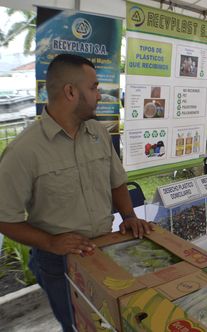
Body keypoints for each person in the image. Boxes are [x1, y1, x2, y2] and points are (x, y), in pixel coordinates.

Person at [0, 54, 152, 332]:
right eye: (94, 88)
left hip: (106, 249)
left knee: (108, 322)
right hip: (59, 262)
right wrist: (50, 242)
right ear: (71, 91)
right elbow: (5, 217)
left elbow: (116, 181)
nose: (100, 94)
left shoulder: (98, 132)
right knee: (77, 325)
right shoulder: (24, 151)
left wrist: (128, 215)